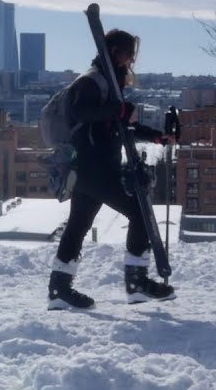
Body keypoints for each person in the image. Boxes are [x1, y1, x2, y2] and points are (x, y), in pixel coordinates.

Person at [48, 28, 176, 310]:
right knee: (139, 213)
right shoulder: (92, 81)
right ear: (115, 52)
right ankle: (137, 282)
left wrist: (156, 136)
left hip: (90, 167)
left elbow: (120, 125)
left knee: (78, 225)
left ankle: (59, 289)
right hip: (94, 167)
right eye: (129, 54)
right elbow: (82, 113)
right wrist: (120, 110)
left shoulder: (108, 82)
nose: (131, 60)